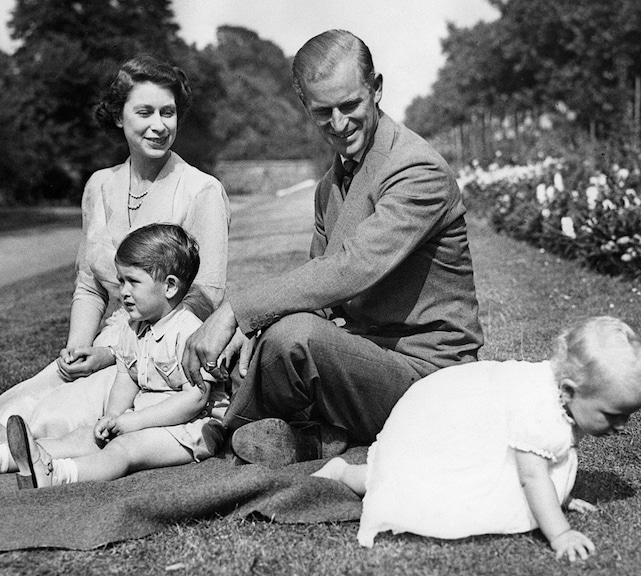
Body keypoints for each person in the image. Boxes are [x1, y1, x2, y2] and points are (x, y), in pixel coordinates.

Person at [0, 54, 230, 479]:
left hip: (162, 355)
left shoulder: (201, 190)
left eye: (168, 112)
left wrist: (112, 354)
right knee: (18, 401)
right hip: (106, 341)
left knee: (52, 416)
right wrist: (77, 351)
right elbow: (89, 284)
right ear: (119, 116)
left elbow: (205, 296)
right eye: (144, 112)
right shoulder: (99, 185)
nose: (159, 125)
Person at [182, 29, 483, 465]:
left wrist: (238, 311)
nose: (339, 124)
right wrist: (255, 330)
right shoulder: (330, 186)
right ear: (305, 105)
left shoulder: (416, 169)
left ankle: (226, 430)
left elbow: (351, 268)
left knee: (294, 337)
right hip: (365, 357)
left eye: (350, 105)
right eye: (323, 112)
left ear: (376, 89)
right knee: (276, 336)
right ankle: (307, 434)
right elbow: (320, 298)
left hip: (432, 378)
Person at [312, 316, 641, 562]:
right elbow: (533, 476)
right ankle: (344, 472)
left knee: (424, 479)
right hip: (450, 427)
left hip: (476, 425)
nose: (622, 425)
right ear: (569, 391)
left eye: (627, 415)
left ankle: (355, 473)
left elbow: (551, 460)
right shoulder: (540, 411)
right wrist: (560, 532)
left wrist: (561, 495)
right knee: (415, 484)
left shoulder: (564, 400)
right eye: (613, 415)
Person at [3, 224, 228, 488]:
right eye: (121, 281)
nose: (123, 292)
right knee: (86, 435)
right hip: (145, 418)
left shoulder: (190, 332)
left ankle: (57, 474)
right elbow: (126, 376)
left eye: (133, 281)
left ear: (169, 286)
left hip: (192, 428)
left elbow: (195, 399)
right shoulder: (133, 327)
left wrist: (135, 421)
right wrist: (112, 415)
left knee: (123, 448)